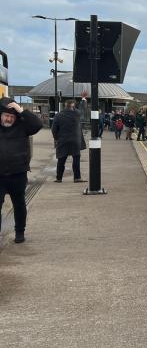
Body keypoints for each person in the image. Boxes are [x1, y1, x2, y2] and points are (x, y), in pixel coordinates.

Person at [0, 98, 43, 243]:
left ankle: (20, 231)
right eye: (6, 115)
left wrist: (21, 110)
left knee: (19, 204)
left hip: (17, 173)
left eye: (12, 117)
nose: (9, 119)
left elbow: (37, 125)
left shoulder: (23, 126)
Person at [51, 99, 86, 183]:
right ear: (73, 105)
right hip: (75, 140)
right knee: (76, 158)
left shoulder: (58, 115)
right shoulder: (77, 114)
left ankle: (59, 178)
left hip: (62, 140)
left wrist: (56, 138)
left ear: (65, 105)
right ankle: (77, 178)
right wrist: (83, 100)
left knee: (61, 159)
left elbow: (54, 129)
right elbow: (82, 109)